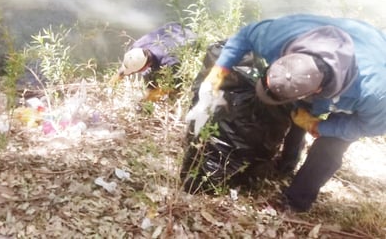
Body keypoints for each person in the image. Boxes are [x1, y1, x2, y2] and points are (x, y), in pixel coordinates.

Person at [200, 13, 386, 212]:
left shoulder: (375, 92)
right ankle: (286, 164)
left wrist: (318, 126)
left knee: (328, 149)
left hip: (364, 71)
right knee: (296, 113)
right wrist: (220, 69)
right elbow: (245, 35)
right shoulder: (280, 36)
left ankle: (295, 202)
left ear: (316, 91)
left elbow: (372, 126)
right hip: (336, 50)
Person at [113, 22, 196, 100]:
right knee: (148, 79)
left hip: (190, 38)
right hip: (173, 27)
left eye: (136, 71)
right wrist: (112, 84)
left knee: (174, 88)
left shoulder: (169, 61)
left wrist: (149, 98)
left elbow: (172, 86)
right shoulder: (136, 48)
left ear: (144, 67)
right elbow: (124, 69)